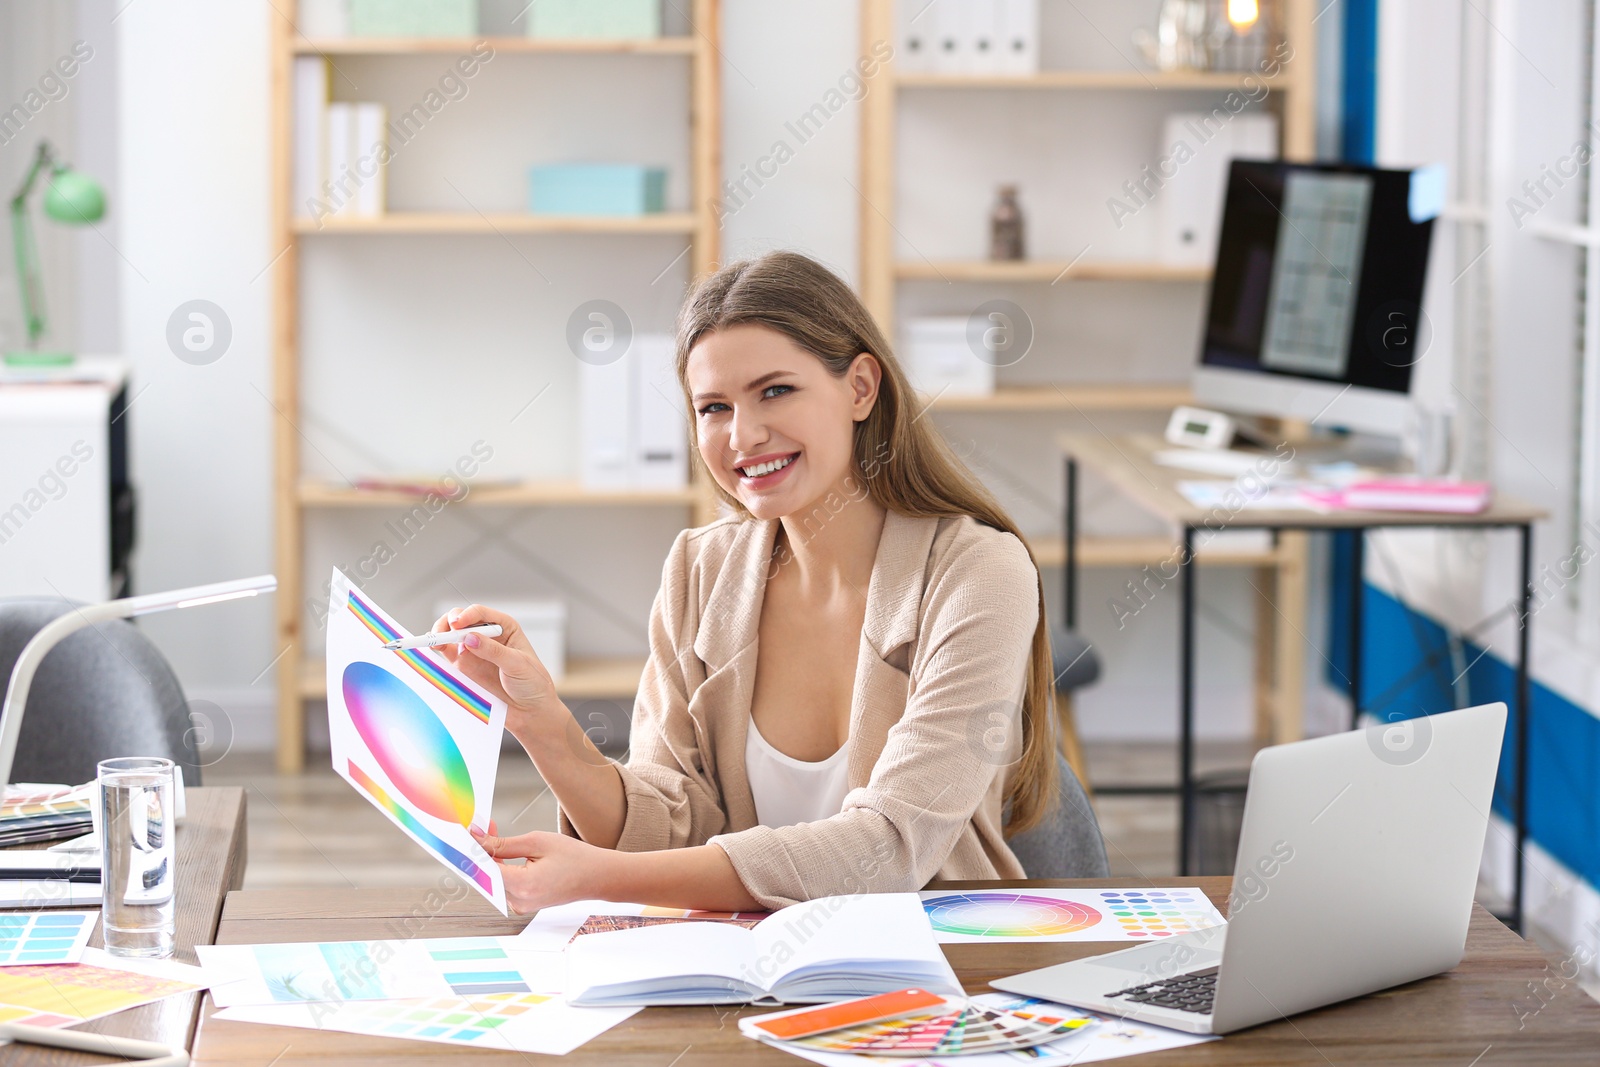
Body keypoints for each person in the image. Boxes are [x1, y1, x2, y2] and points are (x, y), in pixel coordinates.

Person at [438, 250, 1061, 914]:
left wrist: (597, 878)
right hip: (744, 971)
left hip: (938, 967)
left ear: (860, 387)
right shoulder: (699, 569)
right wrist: (542, 725)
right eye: (713, 407)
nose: (745, 435)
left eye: (775, 390)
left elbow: (888, 848)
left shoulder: (978, 573)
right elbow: (674, 825)